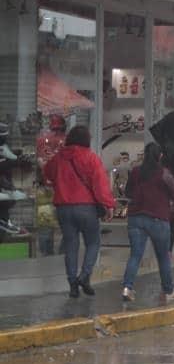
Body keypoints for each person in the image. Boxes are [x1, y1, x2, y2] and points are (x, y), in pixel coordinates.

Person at [43, 125, 115, 298]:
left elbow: (47, 173)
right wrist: (109, 204)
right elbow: (100, 184)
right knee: (93, 242)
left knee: (71, 246)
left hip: (63, 208)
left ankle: (73, 285)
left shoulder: (59, 158)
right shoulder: (91, 158)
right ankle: (84, 276)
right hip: (86, 207)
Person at [122, 142, 174, 302]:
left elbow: (128, 192)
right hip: (158, 218)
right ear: (160, 156)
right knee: (163, 257)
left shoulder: (135, 172)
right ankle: (169, 291)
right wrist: (168, 201)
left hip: (136, 218)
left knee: (135, 255)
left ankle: (127, 288)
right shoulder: (164, 174)